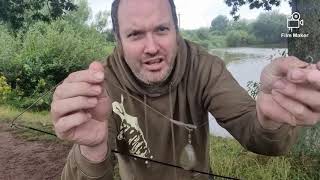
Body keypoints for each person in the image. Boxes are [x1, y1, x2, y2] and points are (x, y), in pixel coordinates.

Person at [50, 0, 320, 179]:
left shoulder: (204, 66)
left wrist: (269, 119)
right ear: (118, 39)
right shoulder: (103, 83)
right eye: (135, 34)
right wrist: (93, 150)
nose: (152, 47)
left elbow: (257, 135)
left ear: (176, 30)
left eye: (162, 29)